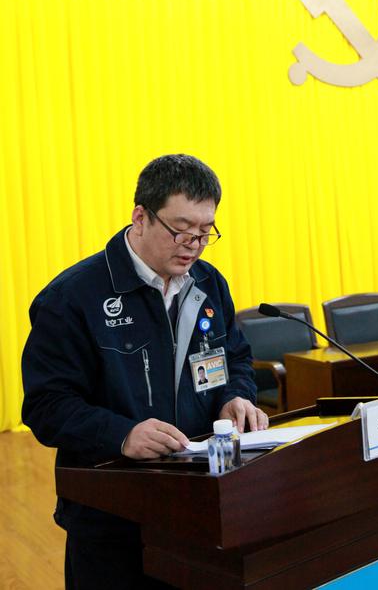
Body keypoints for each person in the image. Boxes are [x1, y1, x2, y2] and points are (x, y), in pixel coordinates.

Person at [22, 154, 268, 590]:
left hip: (201, 505)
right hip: (112, 519)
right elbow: (46, 406)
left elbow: (235, 357)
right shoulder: (72, 298)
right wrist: (122, 434)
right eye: (181, 229)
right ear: (140, 217)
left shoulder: (208, 283)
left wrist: (236, 395)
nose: (193, 244)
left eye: (205, 232)